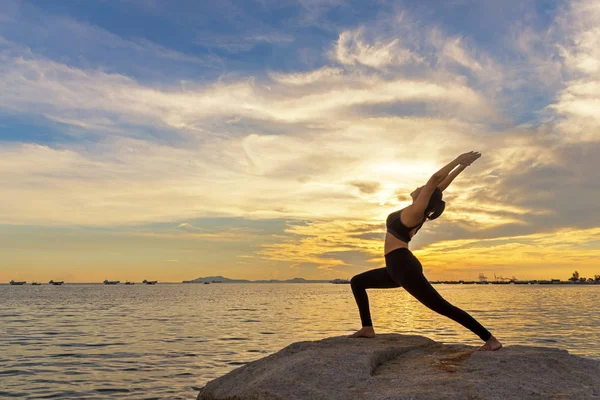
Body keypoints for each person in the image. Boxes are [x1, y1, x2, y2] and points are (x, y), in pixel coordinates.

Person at [348, 151, 502, 351]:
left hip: (403, 266)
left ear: (424, 197)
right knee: (358, 282)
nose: (421, 187)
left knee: (441, 306)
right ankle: (367, 328)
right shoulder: (415, 208)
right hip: (395, 267)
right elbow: (440, 186)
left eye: (423, 189)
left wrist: (456, 159)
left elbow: (434, 181)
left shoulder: (415, 212)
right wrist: (462, 167)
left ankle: (490, 340)